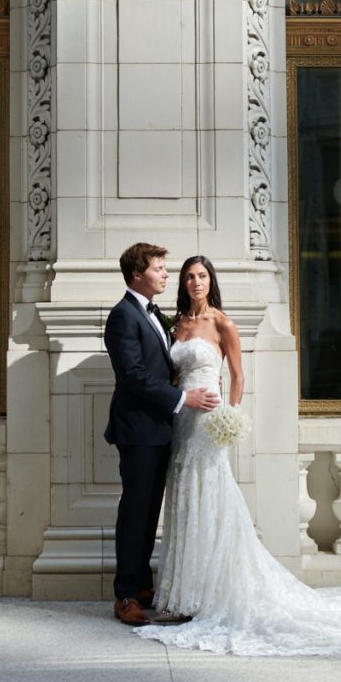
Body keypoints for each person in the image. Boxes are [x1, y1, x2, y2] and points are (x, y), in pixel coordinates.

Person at [135, 254, 341, 655]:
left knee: (211, 498)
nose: (195, 282)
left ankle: (208, 594)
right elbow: (174, 376)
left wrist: (231, 417)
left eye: (202, 276)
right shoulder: (179, 325)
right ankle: (182, 595)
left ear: (211, 280)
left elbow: (238, 375)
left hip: (209, 422)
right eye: (189, 277)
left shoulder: (222, 322)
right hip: (182, 422)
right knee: (186, 498)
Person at [104, 243, 219, 626]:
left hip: (163, 429)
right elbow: (133, 376)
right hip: (138, 429)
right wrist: (183, 397)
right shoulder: (122, 316)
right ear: (138, 274)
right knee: (135, 511)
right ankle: (124, 595)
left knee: (150, 511)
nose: (167, 275)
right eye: (159, 268)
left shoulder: (154, 314)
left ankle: (141, 585)